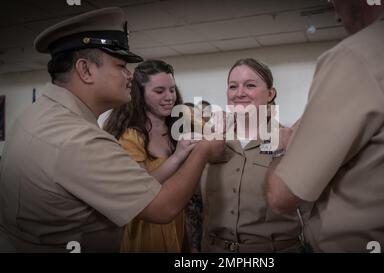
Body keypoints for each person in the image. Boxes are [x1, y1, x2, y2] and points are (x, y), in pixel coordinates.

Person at [0, 7, 224, 252]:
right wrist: (202, 151)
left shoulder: (36, 114)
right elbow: (163, 207)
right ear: (85, 70)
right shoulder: (79, 139)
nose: (129, 76)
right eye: (120, 66)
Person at [266, 0, 384, 252]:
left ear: (270, 93)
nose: (333, 8)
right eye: (232, 86)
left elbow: (281, 196)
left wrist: (282, 145)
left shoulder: (359, 55)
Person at [187, 58, 302, 253]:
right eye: (233, 87)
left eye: (250, 85)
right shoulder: (209, 141)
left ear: (270, 94)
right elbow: (194, 204)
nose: (239, 93)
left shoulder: (290, 142)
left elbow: (310, 209)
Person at [103, 60, 193, 252]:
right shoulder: (131, 136)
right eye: (159, 91)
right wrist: (177, 157)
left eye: (172, 90)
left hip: (176, 219)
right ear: (140, 95)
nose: (169, 97)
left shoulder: (177, 126)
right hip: (146, 227)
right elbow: (142, 186)